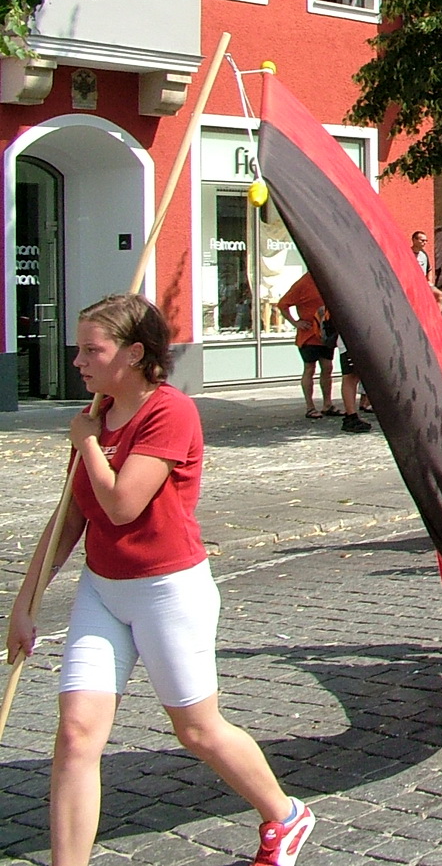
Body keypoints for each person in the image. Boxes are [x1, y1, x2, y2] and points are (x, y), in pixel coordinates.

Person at [6, 295, 315, 866]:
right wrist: (25, 605)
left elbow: (123, 504)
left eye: (91, 350)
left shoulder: (169, 412)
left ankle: (285, 814)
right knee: (76, 734)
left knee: (196, 730)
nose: (78, 361)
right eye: (79, 349)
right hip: (102, 587)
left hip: (168, 588)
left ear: (134, 353)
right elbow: (69, 518)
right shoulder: (97, 415)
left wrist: (88, 444)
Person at [277, 272, 335, 419]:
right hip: (308, 335)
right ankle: (310, 407)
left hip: (324, 334)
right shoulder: (303, 283)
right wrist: (295, 322)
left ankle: (327, 404)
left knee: (327, 367)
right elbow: (283, 304)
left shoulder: (328, 279)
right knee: (310, 368)